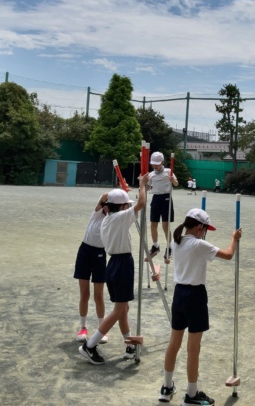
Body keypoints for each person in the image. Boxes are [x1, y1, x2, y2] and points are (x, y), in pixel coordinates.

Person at [158, 208, 242, 404]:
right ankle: (192, 394)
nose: (205, 233)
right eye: (205, 229)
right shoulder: (198, 244)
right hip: (195, 295)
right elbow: (229, 255)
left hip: (179, 294)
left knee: (174, 343)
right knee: (193, 348)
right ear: (199, 227)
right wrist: (234, 238)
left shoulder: (176, 240)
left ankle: (166, 386)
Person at [79, 177, 148, 365]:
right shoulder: (119, 218)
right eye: (126, 205)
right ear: (122, 207)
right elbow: (141, 203)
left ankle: (129, 345)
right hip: (123, 263)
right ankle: (90, 345)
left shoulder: (107, 219)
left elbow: (120, 205)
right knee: (119, 310)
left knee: (123, 308)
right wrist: (142, 185)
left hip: (113, 265)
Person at [74, 192, 110, 346]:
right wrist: (119, 191)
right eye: (107, 205)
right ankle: (83, 328)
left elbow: (128, 209)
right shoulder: (97, 213)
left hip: (100, 255)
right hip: (84, 251)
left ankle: (102, 329)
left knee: (99, 295)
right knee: (84, 293)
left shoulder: (114, 219)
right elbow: (104, 196)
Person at [147, 152, 179, 261]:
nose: (155, 166)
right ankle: (155, 246)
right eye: (153, 164)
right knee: (153, 223)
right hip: (155, 198)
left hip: (166, 198)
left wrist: (172, 180)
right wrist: (143, 182)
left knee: (165, 225)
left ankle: (169, 247)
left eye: (157, 164)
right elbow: (147, 187)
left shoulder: (169, 172)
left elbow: (176, 184)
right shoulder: (151, 174)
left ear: (162, 162)